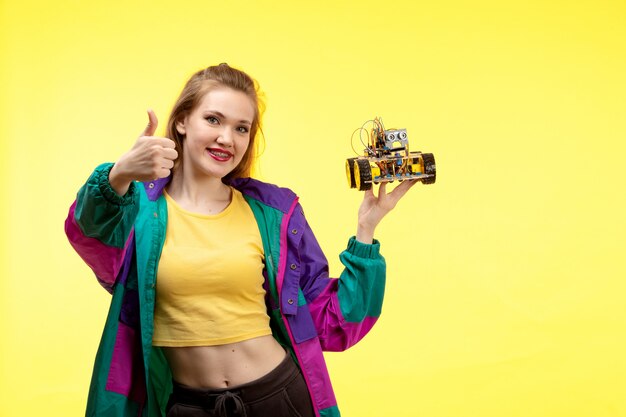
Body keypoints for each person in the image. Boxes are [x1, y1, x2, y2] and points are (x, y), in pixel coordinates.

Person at [65, 63, 417, 417]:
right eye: (213, 120)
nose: (227, 139)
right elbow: (89, 236)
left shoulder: (272, 213)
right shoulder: (136, 209)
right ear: (183, 121)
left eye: (241, 128)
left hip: (279, 397)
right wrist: (120, 173)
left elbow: (331, 323)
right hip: (188, 406)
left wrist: (366, 229)